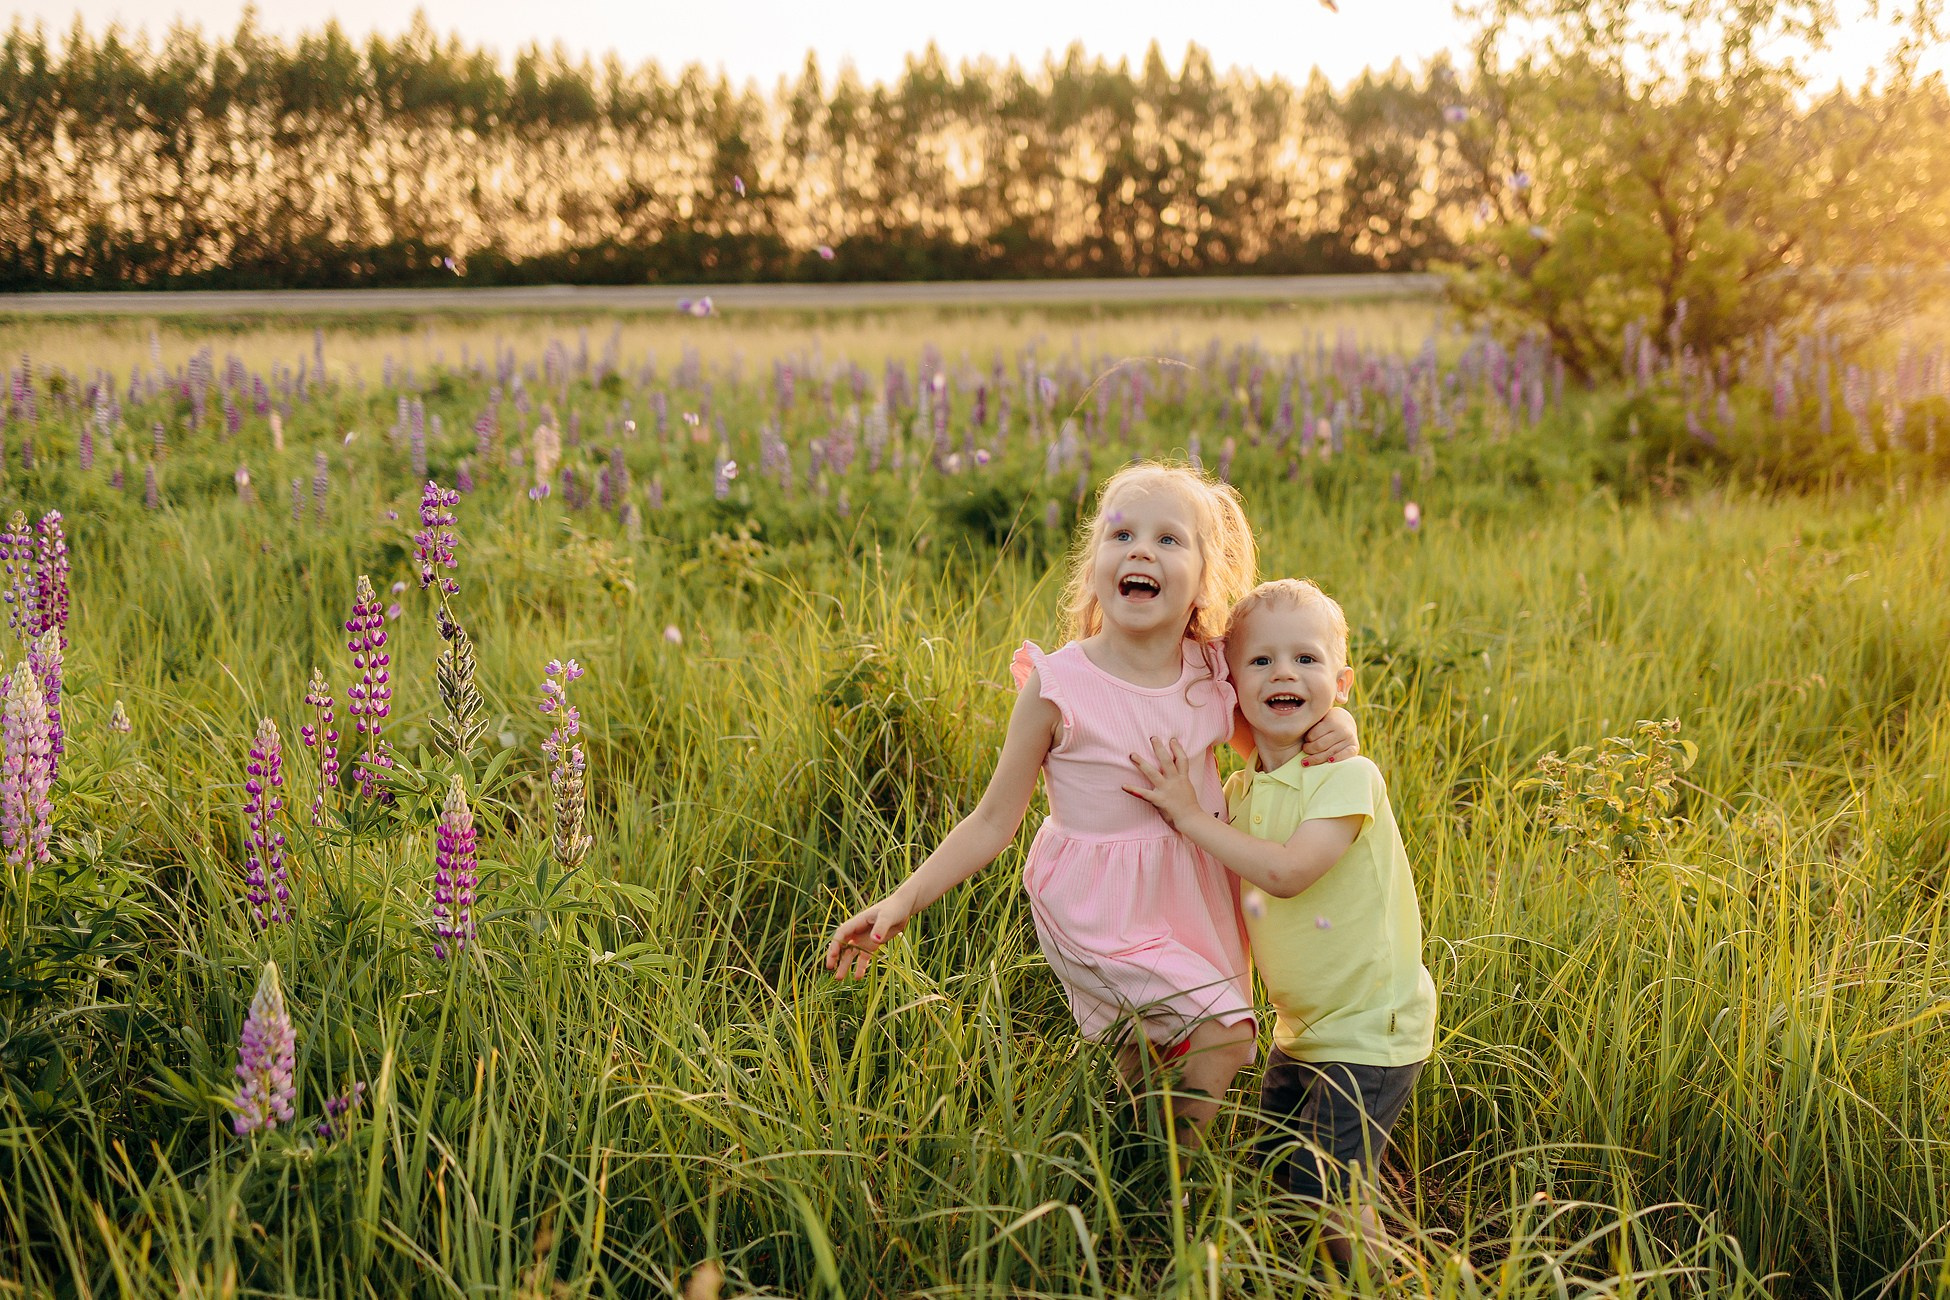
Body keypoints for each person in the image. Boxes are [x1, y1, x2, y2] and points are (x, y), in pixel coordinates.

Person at [824, 463, 1357, 1145]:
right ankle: (1177, 1177)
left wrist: (1337, 726)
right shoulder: (1058, 686)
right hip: (1099, 902)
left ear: (1204, 577)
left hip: (1192, 887)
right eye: (1122, 534)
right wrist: (902, 900)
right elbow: (992, 820)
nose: (1141, 551)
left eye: (1169, 540)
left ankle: (1135, 1155)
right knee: (1222, 1033)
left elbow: (1276, 743)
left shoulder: (1210, 669)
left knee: (1149, 1058)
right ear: (1095, 564)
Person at [1127, 578, 1436, 1264]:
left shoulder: (1349, 777)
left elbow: (1289, 872)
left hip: (1369, 1027)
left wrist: (1188, 816)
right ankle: (1327, 1266)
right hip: (1301, 1029)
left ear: (1341, 682)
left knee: (1329, 1195)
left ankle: (1390, 1282)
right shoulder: (1244, 787)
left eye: (1306, 659)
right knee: (1276, 1173)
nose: (1284, 673)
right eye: (1261, 661)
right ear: (1232, 689)